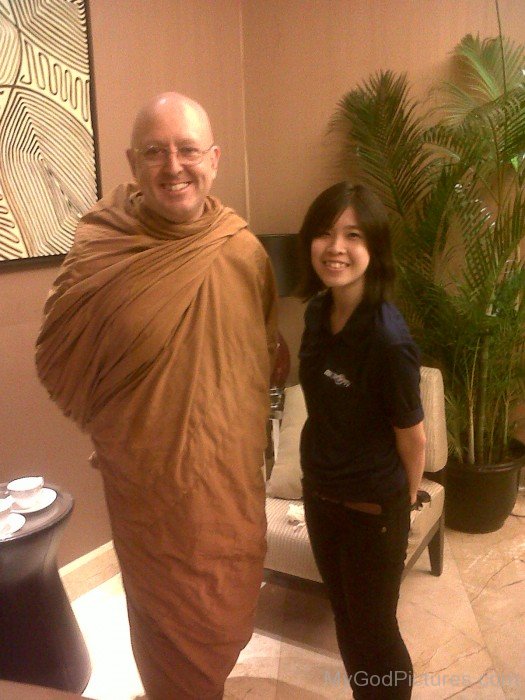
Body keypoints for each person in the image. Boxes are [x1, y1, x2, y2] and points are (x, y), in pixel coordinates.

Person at [36, 92, 278, 699]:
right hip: (151, 499)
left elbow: (263, 356)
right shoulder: (101, 255)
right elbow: (60, 356)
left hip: (228, 488)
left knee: (223, 622)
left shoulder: (243, 251)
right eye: (155, 152)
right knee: (169, 648)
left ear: (214, 159)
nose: (174, 166)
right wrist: (115, 428)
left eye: (188, 149)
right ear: (132, 163)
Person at [295, 182, 426, 699]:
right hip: (320, 496)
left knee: (376, 632)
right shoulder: (314, 313)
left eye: (352, 235)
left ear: (373, 248)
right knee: (346, 623)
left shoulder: (388, 339)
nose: (336, 247)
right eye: (325, 233)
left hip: (373, 510)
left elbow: (412, 439)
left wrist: (404, 505)